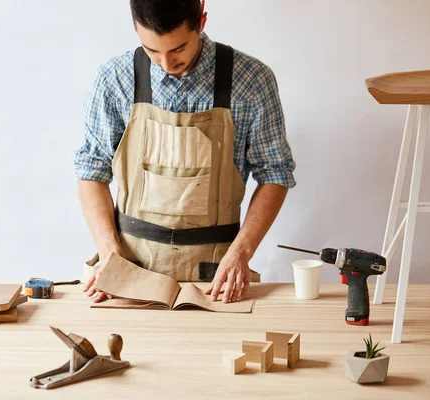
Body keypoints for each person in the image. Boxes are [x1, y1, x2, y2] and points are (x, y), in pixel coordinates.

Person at [74, 0, 296, 305]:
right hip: (129, 272)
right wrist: (109, 251)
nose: (166, 63)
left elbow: (275, 173)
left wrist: (241, 254)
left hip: (215, 278)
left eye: (178, 49)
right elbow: (90, 171)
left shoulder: (252, 81)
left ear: (201, 21)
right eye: (152, 50)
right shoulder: (115, 79)